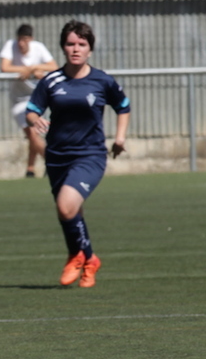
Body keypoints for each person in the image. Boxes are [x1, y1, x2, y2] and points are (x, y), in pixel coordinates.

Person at [26, 20, 130, 288]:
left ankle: (76, 255)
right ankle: (90, 259)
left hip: (89, 155)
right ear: (63, 47)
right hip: (57, 156)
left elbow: (123, 106)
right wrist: (35, 119)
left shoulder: (102, 80)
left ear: (90, 49)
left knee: (65, 205)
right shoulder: (51, 80)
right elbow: (32, 109)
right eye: (71, 44)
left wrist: (119, 138)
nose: (76, 49)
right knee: (70, 211)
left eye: (81, 44)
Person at [0, 24, 58, 178]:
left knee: (35, 133)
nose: (21, 43)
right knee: (32, 132)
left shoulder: (38, 47)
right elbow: (4, 67)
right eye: (19, 39)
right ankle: (53, 163)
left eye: (25, 40)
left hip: (37, 99)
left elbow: (54, 66)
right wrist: (24, 70)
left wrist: (32, 68)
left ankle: (30, 169)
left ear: (31, 39)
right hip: (19, 101)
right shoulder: (10, 46)